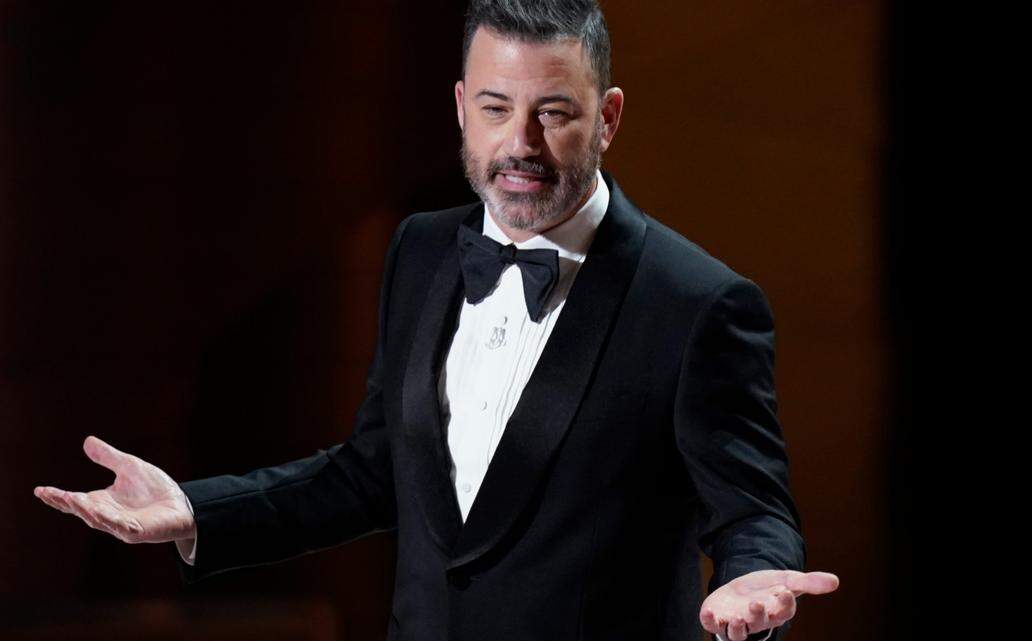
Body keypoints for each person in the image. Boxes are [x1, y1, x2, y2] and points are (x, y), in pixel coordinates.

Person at [32, 1, 839, 639]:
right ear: (461, 106)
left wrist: (753, 578)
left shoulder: (698, 302)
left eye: (554, 112)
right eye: (496, 107)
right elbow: (376, 469)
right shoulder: (420, 251)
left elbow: (755, 512)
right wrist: (199, 508)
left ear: (609, 117)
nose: (519, 143)